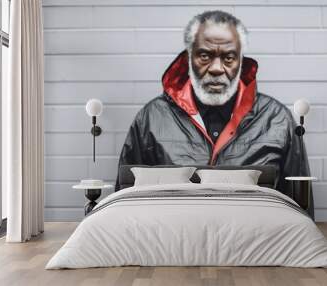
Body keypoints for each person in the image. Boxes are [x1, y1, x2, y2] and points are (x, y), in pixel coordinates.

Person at [115, 10, 314, 218]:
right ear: (188, 58)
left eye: (228, 57)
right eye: (204, 56)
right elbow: (124, 194)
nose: (217, 69)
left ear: (241, 61)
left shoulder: (277, 119)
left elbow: (300, 203)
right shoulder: (151, 118)